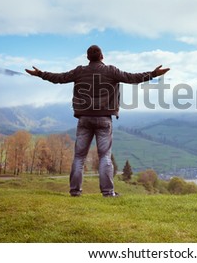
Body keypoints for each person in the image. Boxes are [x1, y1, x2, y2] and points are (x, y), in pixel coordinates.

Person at [25, 45, 170, 197]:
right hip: (104, 118)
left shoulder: (79, 71)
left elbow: (59, 78)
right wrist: (153, 74)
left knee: (79, 157)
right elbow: (133, 78)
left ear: (88, 58)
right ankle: (108, 192)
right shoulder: (111, 71)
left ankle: (75, 191)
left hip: (84, 118)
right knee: (105, 156)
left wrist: (40, 73)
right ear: (102, 56)